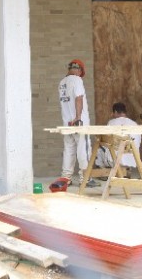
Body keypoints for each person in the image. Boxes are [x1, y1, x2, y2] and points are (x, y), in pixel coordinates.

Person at [58, 59, 99, 188]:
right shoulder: (77, 80)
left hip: (67, 123)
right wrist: (78, 117)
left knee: (69, 149)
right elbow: (79, 98)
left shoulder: (62, 83)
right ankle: (85, 178)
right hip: (78, 122)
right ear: (79, 70)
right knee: (83, 149)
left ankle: (66, 178)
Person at [95, 102, 141, 176]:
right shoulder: (134, 124)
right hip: (132, 160)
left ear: (115, 112)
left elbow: (106, 140)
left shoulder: (111, 123)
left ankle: (104, 171)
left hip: (115, 160)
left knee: (100, 147)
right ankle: (127, 169)